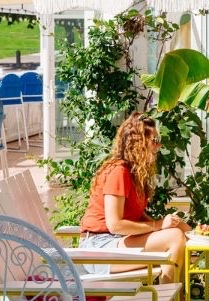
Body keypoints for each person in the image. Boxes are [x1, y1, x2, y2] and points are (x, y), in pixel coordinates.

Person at [79, 113, 190, 288]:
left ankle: (180, 300)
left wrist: (163, 224)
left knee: (181, 229)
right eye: (154, 141)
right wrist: (158, 225)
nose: (158, 145)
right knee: (174, 237)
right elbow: (115, 225)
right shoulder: (119, 172)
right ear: (138, 143)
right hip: (99, 249)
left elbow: (135, 214)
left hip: (115, 243)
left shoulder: (134, 172)